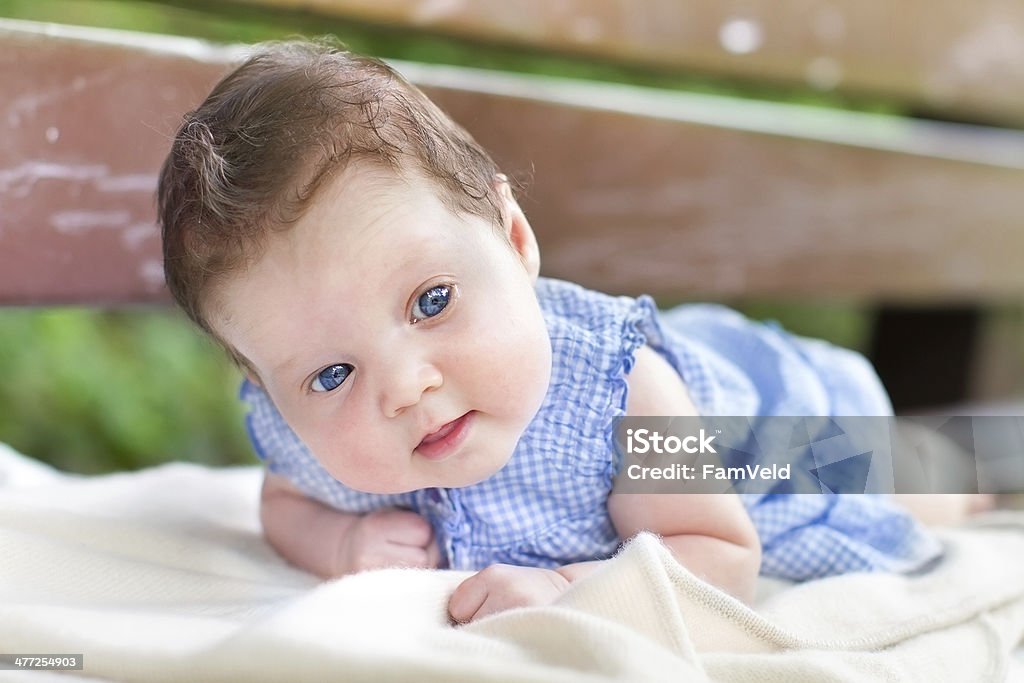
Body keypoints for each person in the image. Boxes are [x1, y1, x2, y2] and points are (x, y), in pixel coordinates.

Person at [158, 39, 949, 624]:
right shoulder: (307, 436)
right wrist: (338, 545)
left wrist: (573, 592)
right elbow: (284, 500)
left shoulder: (626, 392)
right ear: (268, 387)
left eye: (431, 301)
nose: (406, 386)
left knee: (922, 481)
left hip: (772, 433)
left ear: (514, 240)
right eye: (332, 375)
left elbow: (721, 550)